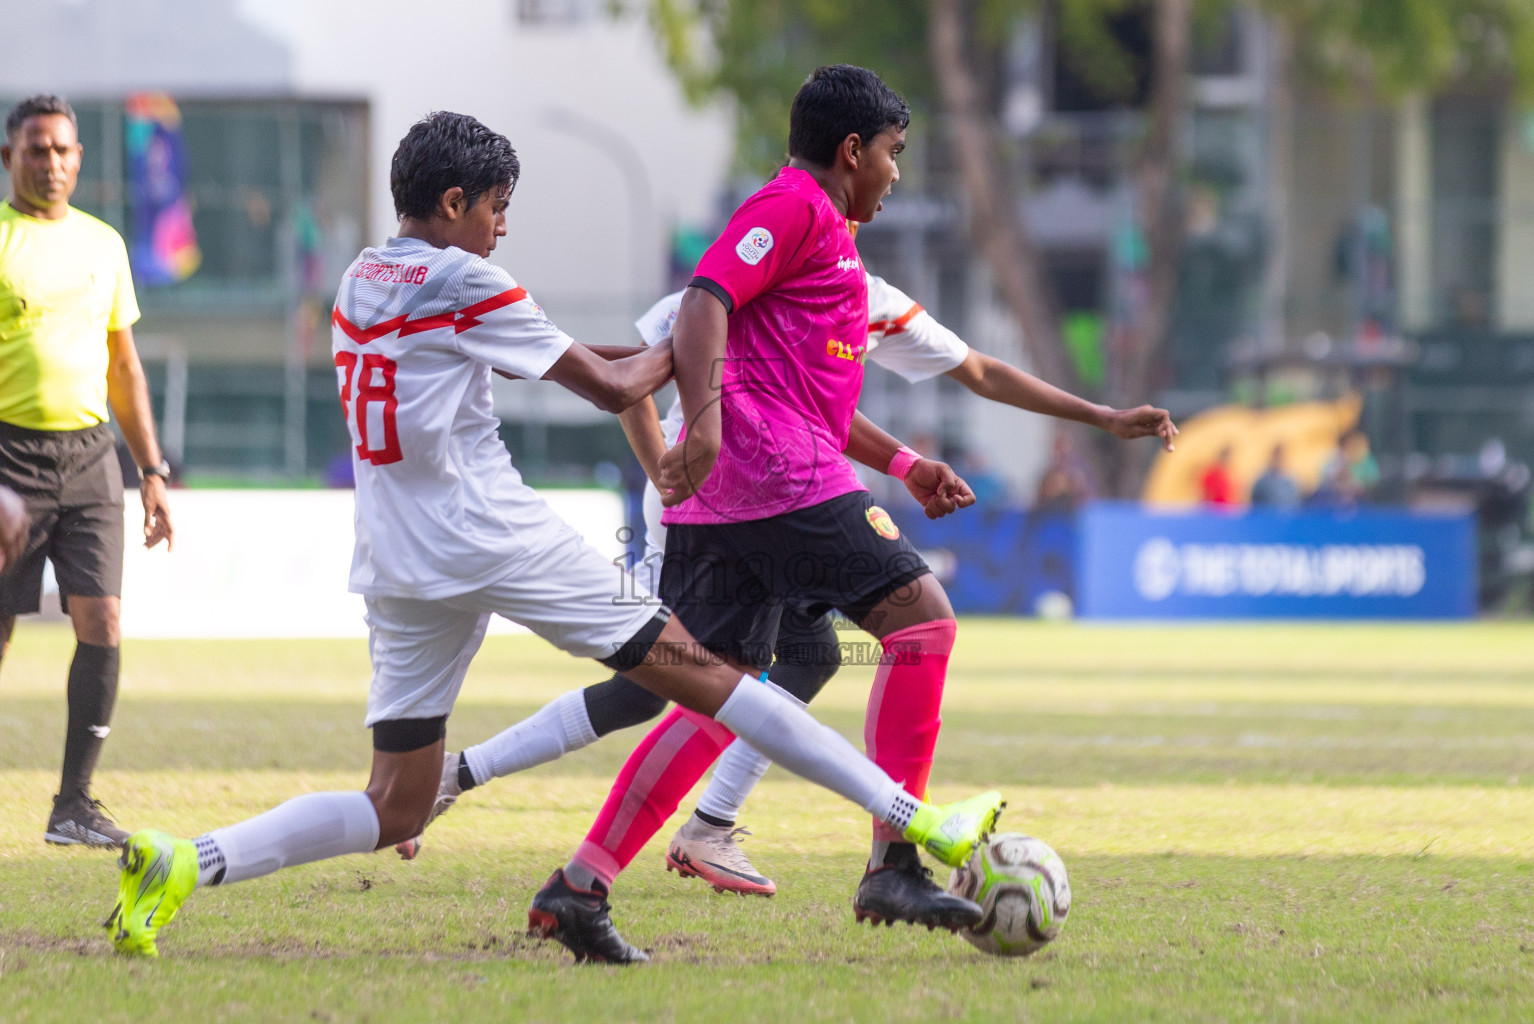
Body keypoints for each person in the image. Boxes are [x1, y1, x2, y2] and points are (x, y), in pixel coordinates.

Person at [104, 111, 1001, 960]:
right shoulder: (467, 279)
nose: (502, 229)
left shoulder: (363, 275)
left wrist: (675, 347)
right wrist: (706, 334)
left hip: (400, 559)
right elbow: (616, 389)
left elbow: (577, 359)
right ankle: (915, 828)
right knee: (715, 679)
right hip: (500, 535)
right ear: (454, 205)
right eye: (496, 209)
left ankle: (188, 861)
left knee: (396, 806)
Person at [397, 270, 1178, 903]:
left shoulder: (865, 296)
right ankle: (471, 782)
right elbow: (631, 375)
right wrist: (659, 469)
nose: (888, 177)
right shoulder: (737, 280)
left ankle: (703, 826)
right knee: (675, 683)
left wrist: (1102, 417)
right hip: (703, 497)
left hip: (780, 491)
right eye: (884, 157)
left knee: (802, 657)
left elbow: (976, 371)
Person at [0, 94, 174, 848]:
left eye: (64, 150)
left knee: (101, 620)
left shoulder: (104, 245)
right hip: (7, 456)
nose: (53, 163)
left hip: (90, 458)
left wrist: (154, 473)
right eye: (37, 149)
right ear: (10, 155)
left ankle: (74, 805)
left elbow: (123, 365)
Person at [1250, 444, 1300, 510]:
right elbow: (1255, 501)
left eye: (1281, 457)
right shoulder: (1263, 481)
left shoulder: (1291, 481)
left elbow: (1296, 502)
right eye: (1277, 457)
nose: (1279, 460)